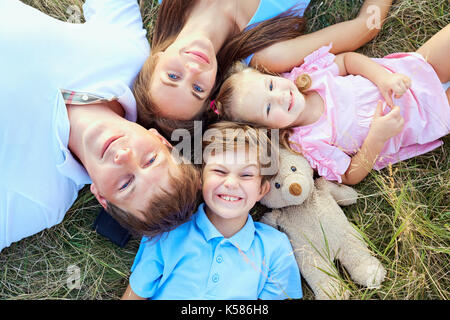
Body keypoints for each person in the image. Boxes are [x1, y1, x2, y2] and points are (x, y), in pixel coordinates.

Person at [0, 0, 201, 252]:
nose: (123, 156)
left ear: (102, 198)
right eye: (150, 160)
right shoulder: (127, 55)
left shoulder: (42, 200)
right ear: (160, 140)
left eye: (126, 184)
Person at [210, 24, 450, 186]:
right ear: (268, 130)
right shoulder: (307, 143)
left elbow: (347, 61)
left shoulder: (307, 76)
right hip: (419, 119)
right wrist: (377, 137)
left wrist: (383, 78)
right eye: (269, 109)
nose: (281, 97)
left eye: (271, 86)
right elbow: (349, 174)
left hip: (408, 74)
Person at [134, 0, 394, 136]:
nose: (192, 69)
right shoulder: (266, 55)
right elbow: (365, 26)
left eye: (172, 76)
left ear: (155, 59)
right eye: (198, 88)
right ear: (213, 86)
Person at [121, 122, 302, 300]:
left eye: (246, 175)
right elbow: (135, 294)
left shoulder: (275, 248)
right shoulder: (167, 232)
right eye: (219, 171)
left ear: (262, 190)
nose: (231, 183)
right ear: (200, 178)